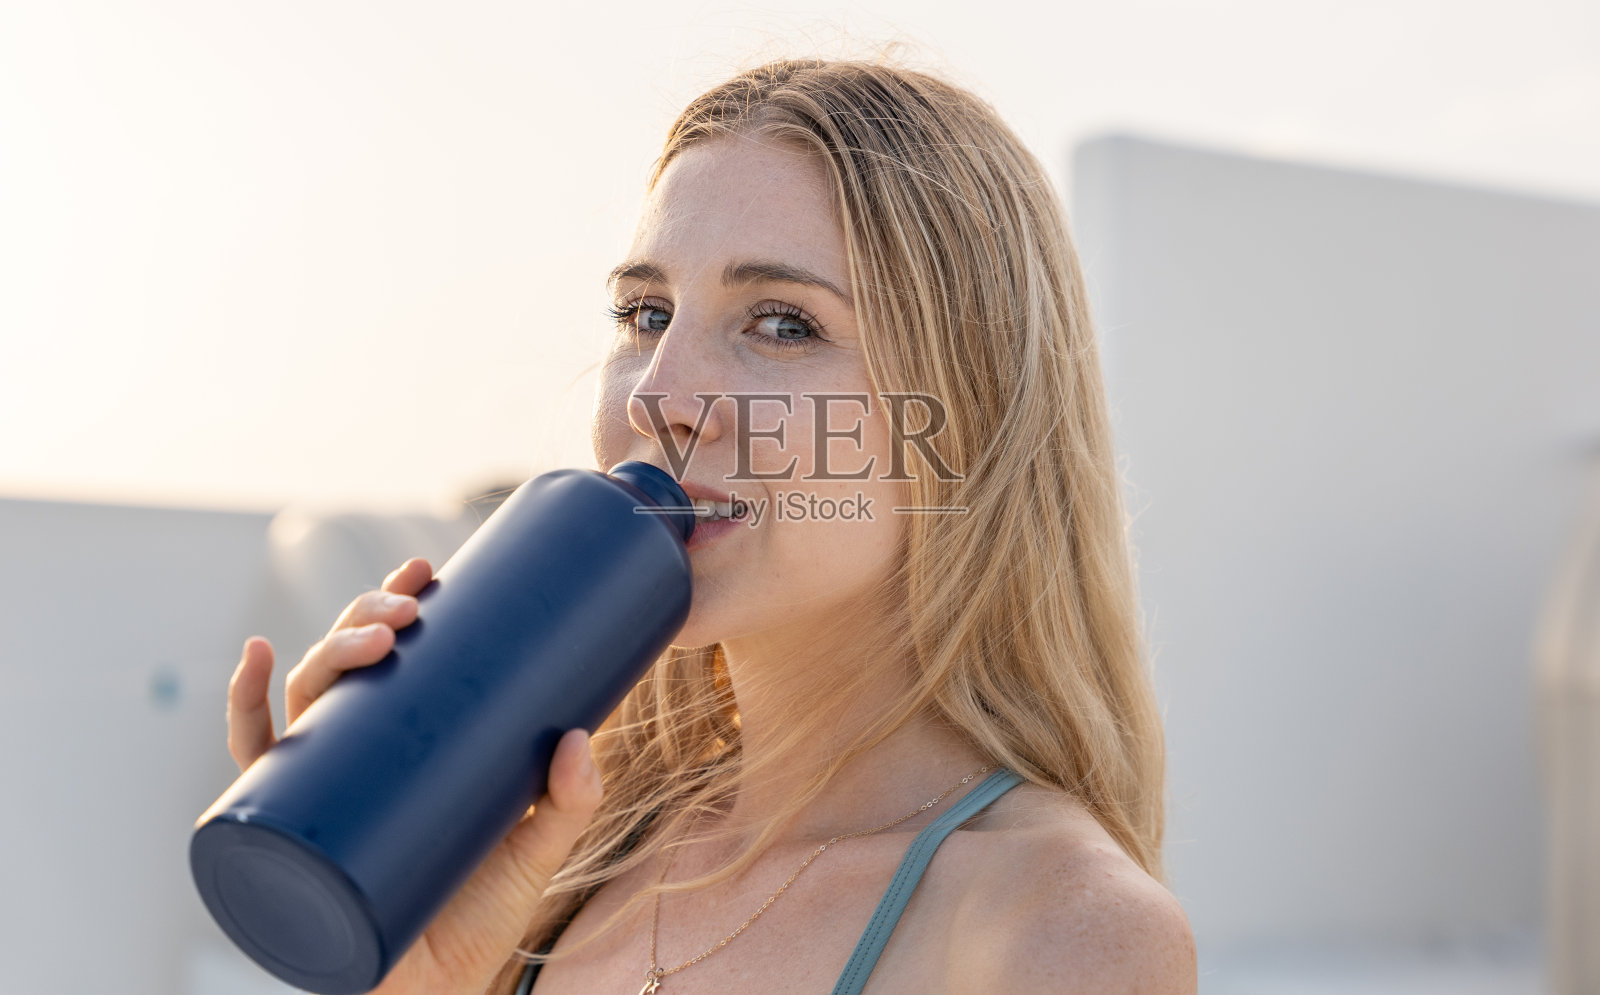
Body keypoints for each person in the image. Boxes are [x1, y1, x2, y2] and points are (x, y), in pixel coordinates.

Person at [226, 56, 1197, 994]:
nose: (659, 396)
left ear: (966, 413)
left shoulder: (1061, 933)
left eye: (782, 323)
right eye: (646, 313)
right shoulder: (560, 852)